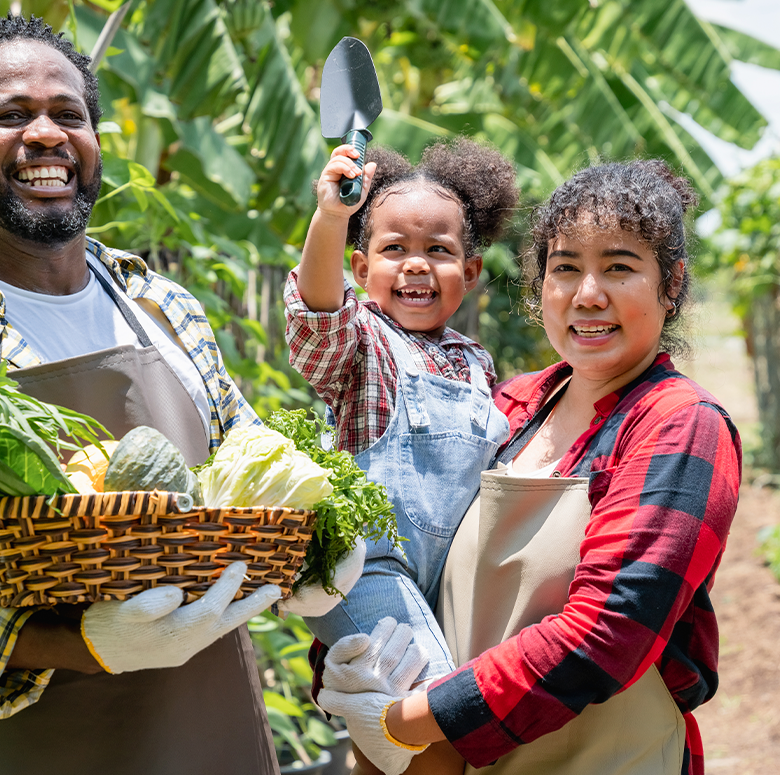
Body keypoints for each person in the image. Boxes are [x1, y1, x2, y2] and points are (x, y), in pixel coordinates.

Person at [0, 16, 359, 775]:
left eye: (69, 114)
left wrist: (316, 548)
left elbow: (246, 462)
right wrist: (91, 644)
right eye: (10, 115)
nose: (47, 135)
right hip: (41, 742)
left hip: (212, 727)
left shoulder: (162, 306)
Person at [315, 160, 744, 775]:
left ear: (670, 284)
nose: (587, 293)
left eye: (619, 267)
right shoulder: (506, 407)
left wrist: (401, 720)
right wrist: (352, 661)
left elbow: (607, 632)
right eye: (565, 268)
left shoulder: (679, 425)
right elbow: (414, 558)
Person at [285, 139, 518, 769]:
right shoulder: (362, 343)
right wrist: (332, 217)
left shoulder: (475, 362)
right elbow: (315, 315)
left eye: (438, 252)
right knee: (430, 727)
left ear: (469, 274)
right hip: (368, 569)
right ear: (361, 271)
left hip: (448, 580)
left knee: (400, 738)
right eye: (395, 251)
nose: (416, 266)